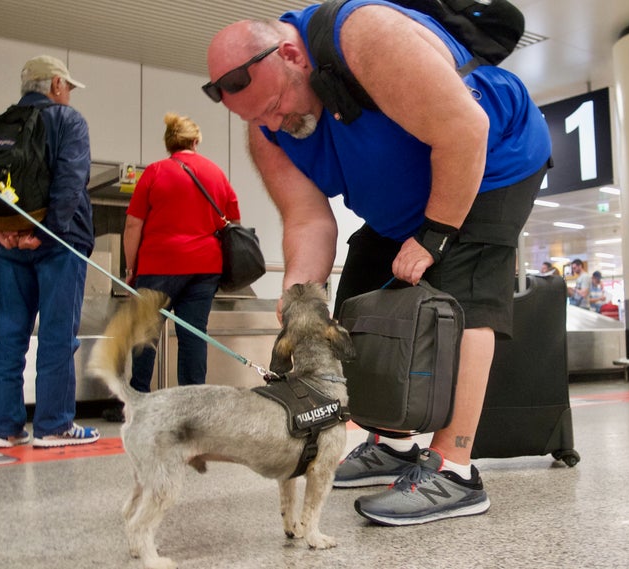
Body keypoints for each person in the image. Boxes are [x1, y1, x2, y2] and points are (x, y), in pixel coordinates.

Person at [205, 1, 551, 526]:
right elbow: (306, 220)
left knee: (463, 293)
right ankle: (392, 444)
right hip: (408, 194)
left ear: (295, 56)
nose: (274, 123)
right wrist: (301, 295)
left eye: (275, 104)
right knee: (363, 292)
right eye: (256, 118)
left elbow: (465, 131)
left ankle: (455, 468)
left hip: (492, 161)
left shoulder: (367, 36)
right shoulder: (267, 126)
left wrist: (434, 238)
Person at [0, 56, 98, 448]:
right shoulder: (68, 121)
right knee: (57, 335)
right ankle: (53, 425)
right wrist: (49, 234)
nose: (69, 94)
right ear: (56, 84)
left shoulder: (0, 124)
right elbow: (71, 182)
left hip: (7, 245)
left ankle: (3, 428)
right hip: (60, 245)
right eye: (68, 86)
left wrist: (3, 235)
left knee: (9, 336)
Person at [123, 112, 241, 394]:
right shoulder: (216, 173)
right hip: (204, 268)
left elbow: (132, 224)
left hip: (158, 266)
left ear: (169, 143)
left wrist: (131, 270)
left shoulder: (155, 171)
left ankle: (138, 397)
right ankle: (192, 403)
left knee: (146, 335)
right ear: (196, 140)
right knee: (194, 335)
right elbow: (234, 222)